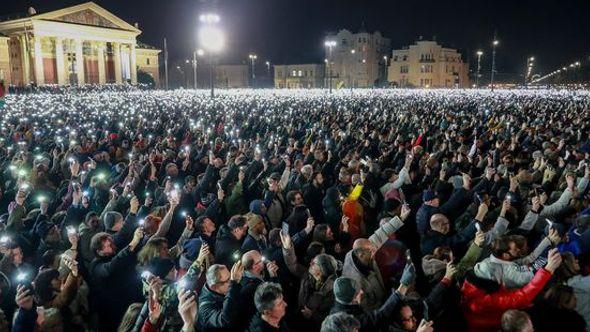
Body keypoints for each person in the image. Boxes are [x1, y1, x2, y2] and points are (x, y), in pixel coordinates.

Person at [461, 248, 563, 332]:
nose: (502, 281)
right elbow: (521, 297)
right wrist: (548, 270)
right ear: (492, 279)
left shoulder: (470, 286)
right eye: (500, 277)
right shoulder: (485, 300)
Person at [89, 227, 145, 331]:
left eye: (112, 243)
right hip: (115, 311)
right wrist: (133, 243)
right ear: (99, 252)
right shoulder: (96, 267)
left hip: (132, 298)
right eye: (109, 246)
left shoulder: (114, 252)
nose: (113, 246)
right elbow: (111, 267)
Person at [197, 262, 244, 332]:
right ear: (214, 287)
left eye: (230, 277)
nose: (231, 282)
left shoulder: (224, 290)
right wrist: (234, 284)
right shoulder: (205, 308)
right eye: (228, 280)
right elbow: (224, 320)